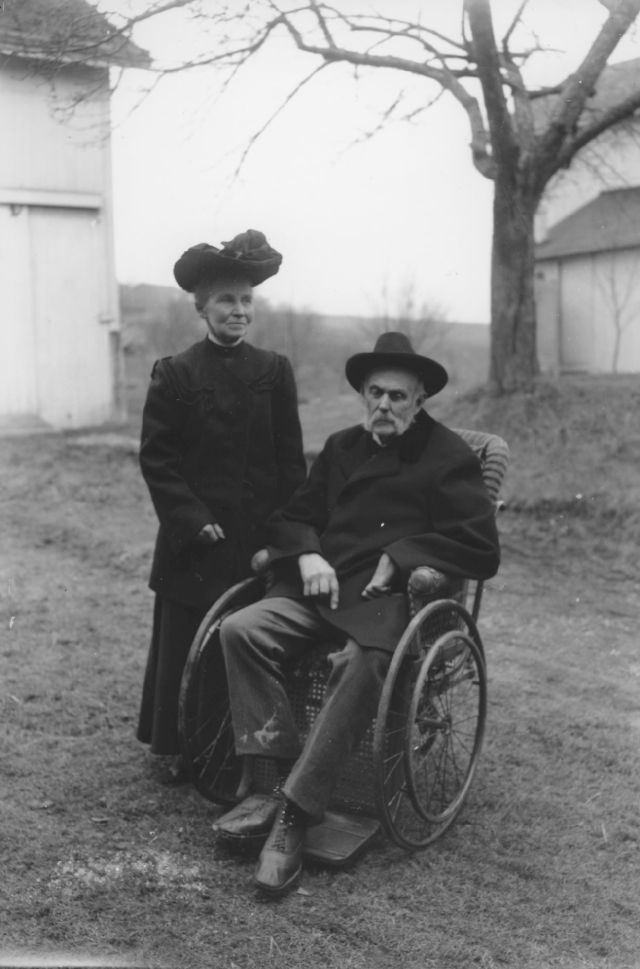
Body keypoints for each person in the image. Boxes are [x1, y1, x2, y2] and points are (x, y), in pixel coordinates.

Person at [214, 330, 501, 895]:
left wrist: (402, 556)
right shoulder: (343, 446)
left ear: (420, 399)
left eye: (397, 396)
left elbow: (480, 549)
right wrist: (311, 552)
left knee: (365, 660)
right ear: (362, 395)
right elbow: (292, 515)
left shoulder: (449, 458)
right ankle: (269, 776)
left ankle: (296, 812)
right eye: (375, 393)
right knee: (240, 629)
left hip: (386, 601)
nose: (384, 406)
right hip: (321, 588)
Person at [137, 229, 306, 781]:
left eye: (246, 300)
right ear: (201, 307)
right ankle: (183, 747)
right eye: (226, 301)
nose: (239, 311)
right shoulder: (177, 374)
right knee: (189, 640)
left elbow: (289, 463)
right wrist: (193, 520)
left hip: (255, 542)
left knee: (244, 637)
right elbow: (158, 462)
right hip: (197, 543)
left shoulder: (274, 372)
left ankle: (242, 748)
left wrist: (282, 534)